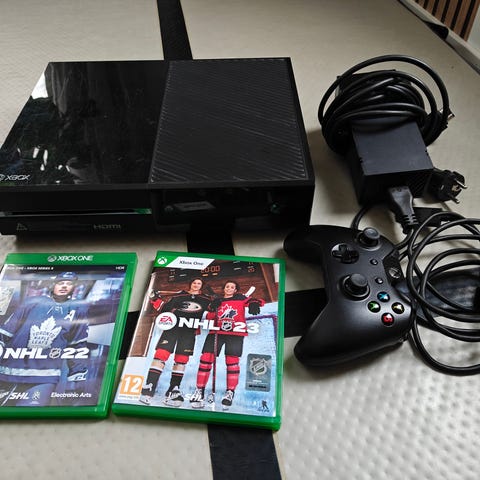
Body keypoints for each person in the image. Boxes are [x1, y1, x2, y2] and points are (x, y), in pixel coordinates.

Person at [0, 272, 89, 407]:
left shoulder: (78, 309)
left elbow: (77, 346)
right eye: (61, 283)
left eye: (69, 284)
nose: (64, 286)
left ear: (74, 287)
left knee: (29, 413)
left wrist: (76, 381)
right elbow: (5, 333)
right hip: (7, 373)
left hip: (44, 378)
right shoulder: (31, 302)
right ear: (53, 285)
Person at [190, 280, 264, 409]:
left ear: (235, 290)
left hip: (235, 332)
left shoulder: (240, 298)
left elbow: (259, 301)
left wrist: (253, 303)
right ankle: (199, 390)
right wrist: (213, 307)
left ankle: (230, 392)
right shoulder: (217, 300)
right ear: (224, 288)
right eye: (227, 286)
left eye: (232, 287)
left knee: (232, 362)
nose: (229, 288)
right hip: (216, 331)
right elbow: (209, 317)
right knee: (206, 359)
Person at [139, 278, 212, 407]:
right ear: (190, 284)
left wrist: (216, 301)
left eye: (199, 283)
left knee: (181, 360)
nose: (196, 285)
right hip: (173, 328)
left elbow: (213, 313)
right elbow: (164, 308)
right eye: (194, 282)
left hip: (189, 331)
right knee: (160, 355)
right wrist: (154, 298)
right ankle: (149, 387)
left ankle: (174, 389)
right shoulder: (179, 295)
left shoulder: (206, 299)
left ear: (202, 285)